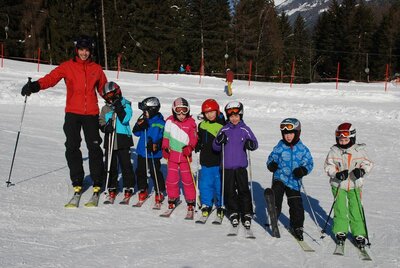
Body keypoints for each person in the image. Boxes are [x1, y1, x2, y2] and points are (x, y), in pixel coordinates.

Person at [20, 35, 107, 207]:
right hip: (72, 114)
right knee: (72, 147)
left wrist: (114, 97)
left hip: (90, 113)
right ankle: (77, 181)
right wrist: (35, 86)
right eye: (81, 49)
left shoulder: (96, 69)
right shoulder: (67, 67)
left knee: (94, 147)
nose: (84, 53)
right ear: (77, 50)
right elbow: (51, 79)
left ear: (91, 51)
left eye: (87, 50)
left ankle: (97, 181)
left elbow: (104, 89)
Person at [324, 122, 373, 247]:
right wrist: (336, 173)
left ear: (352, 138)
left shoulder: (359, 151)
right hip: (338, 185)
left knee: (356, 208)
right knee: (340, 208)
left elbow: (367, 163)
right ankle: (341, 231)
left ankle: (359, 233)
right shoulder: (334, 151)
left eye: (346, 139)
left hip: (355, 184)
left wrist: (361, 171)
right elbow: (328, 166)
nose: (343, 142)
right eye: (340, 139)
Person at [266, 118, 314, 240]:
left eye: (291, 133)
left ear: (297, 133)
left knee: (296, 204)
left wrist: (303, 170)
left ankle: (297, 226)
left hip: (294, 181)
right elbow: (272, 158)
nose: (288, 136)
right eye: (285, 133)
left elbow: (309, 162)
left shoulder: (303, 149)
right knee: (276, 193)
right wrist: (272, 164)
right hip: (280, 177)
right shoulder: (280, 146)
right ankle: (274, 213)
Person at [212, 101, 258, 229]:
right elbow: (215, 147)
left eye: (236, 116)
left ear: (241, 115)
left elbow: (255, 143)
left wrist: (251, 144)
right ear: (228, 116)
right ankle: (233, 211)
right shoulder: (224, 129)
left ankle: (246, 212)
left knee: (243, 190)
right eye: (231, 116)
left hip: (240, 167)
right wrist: (218, 141)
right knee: (229, 191)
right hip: (227, 167)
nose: (234, 118)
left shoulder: (245, 129)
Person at [99, 82, 136, 204]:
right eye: (107, 97)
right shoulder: (105, 108)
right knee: (110, 165)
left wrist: (118, 107)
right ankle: (112, 187)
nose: (110, 99)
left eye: (111, 96)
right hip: (110, 139)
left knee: (126, 164)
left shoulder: (126, 105)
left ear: (117, 93)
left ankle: (128, 186)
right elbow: (101, 121)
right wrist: (105, 128)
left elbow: (125, 119)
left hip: (122, 139)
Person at [162, 97, 198, 213]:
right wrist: (164, 147)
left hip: (184, 157)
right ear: (174, 111)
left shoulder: (191, 123)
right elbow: (166, 136)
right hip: (172, 155)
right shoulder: (170, 122)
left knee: (187, 179)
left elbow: (194, 138)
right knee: (171, 179)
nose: (181, 115)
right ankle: (173, 197)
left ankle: (191, 199)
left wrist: (190, 147)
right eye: (178, 111)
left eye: (184, 111)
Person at [132, 97, 166, 206]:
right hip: (142, 151)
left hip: (154, 153)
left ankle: (159, 190)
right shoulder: (144, 120)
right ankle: (143, 189)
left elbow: (165, 137)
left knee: (154, 171)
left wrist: (157, 144)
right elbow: (136, 133)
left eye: (145, 111)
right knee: (140, 171)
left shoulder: (161, 123)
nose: (143, 113)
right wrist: (139, 125)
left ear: (152, 110)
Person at [196, 99, 226, 219]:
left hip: (218, 161)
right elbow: (200, 138)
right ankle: (206, 204)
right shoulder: (202, 125)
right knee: (205, 184)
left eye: (212, 112)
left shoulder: (222, 126)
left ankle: (220, 204)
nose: (210, 115)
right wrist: (198, 143)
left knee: (219, 184)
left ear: (217, 111)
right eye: (207, 113)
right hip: (205, 160)